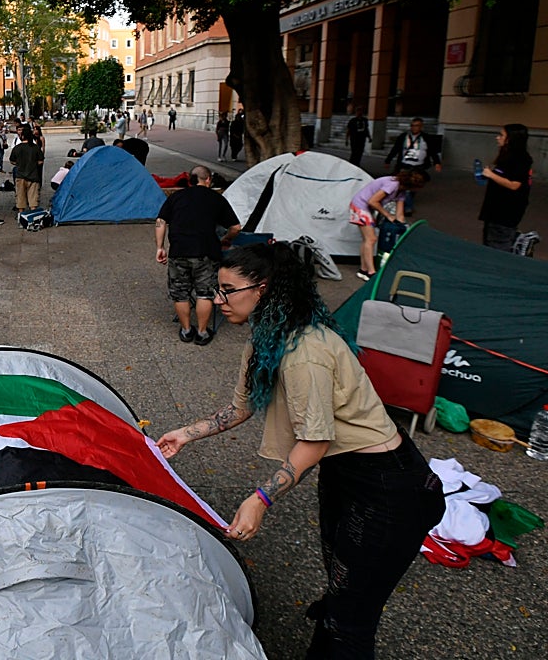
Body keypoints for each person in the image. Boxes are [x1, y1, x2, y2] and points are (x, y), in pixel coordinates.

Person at [156, 243, 445, 660]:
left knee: (351, 617)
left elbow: (315, 441)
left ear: (264, 289)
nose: (218, 301)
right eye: (217, 290)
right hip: (345, 473)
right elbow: (241, 407)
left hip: (389, 486)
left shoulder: (304, 353)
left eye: (227, 290)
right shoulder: (267, 339)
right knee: (342, 587)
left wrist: (260, 499)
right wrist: (185, 433)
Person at [155, 165, 242, 345]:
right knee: (205, 294)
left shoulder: (177, 197)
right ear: (208, 179)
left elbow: (161, 221)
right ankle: (202, 333)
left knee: (180, 293)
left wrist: (160, 247)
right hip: (207, 252)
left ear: (190, 180)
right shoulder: (216, 199)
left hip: (179, 251)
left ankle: (186, 330)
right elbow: (236, 227)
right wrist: (226, 240)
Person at [349, 169, 427, 281]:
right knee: (371, 239)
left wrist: (404, 227)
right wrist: (388, 215)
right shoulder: (392, 184)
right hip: (360, 205)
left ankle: (363, 270)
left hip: (366, 207)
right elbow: (373, 201)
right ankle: (371, 273)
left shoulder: (402, 191)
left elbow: (400, 215)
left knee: (367, 240)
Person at [478, 123, 533, 253]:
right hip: (494, 210)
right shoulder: (506, 156)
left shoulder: (521, 159)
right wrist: (491, 174)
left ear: (511, 139)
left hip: (505, 212)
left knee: (498, 246)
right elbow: (504, 176)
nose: (498, 138)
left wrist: (491, 175)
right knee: (490, 241)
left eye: (501, 135)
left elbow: (515, 184)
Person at [384, 117, 441, 215]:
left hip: (418, 166)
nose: (415, 128)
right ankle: (407, 208)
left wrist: (437, 162)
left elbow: (432, 151)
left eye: (417, 126)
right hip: (405, 165)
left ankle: (405, 203)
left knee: (413, 186)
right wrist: (388, 160)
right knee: (406, 187)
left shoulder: (426, 138)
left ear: (421, 127)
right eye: (413, 126)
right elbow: (396, 149)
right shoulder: (403, 137)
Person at [9, 125, 45, 214]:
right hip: (33, 176)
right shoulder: (36, 148)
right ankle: (33, 216)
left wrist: (19, 163)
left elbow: (12, 161)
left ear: (22, 136)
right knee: (33, 199)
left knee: (20, 198)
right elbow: (41, 161)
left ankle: (21, 215)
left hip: (20, 176)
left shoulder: (17, 148)